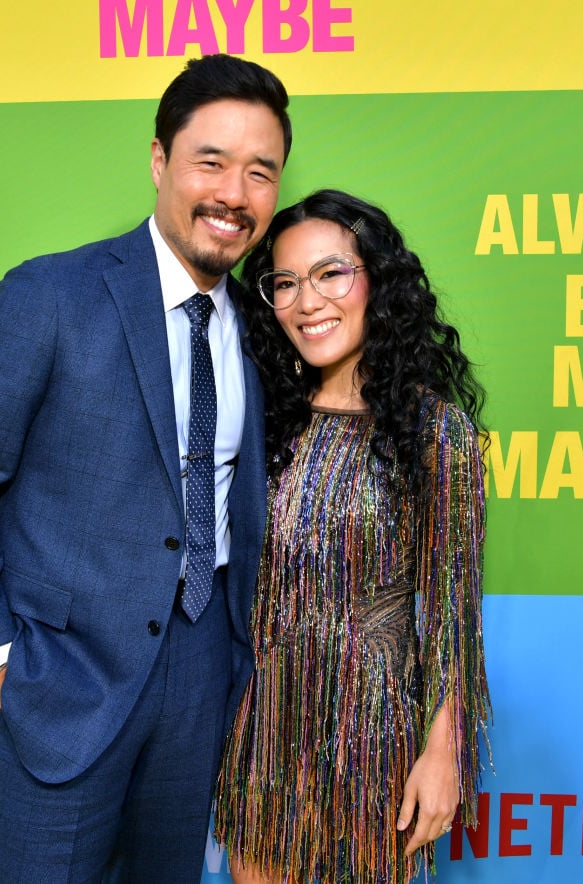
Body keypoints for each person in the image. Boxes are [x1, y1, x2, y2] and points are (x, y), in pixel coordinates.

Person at [0, 54, 291, 882]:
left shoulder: (267, 328)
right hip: (63, 680)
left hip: (203, 680)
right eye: (211, 161)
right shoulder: (50, 296)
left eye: (260, 172)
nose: (234, 193)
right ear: (159, 160)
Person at [213, 189, 492, 883]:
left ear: (377, 281)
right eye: (285, 282)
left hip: (373, 746)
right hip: (259, 738)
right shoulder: (256, 422)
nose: (309, 302)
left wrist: (443, 751)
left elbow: (453, 611)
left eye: (331, 273)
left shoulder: (435, 432)